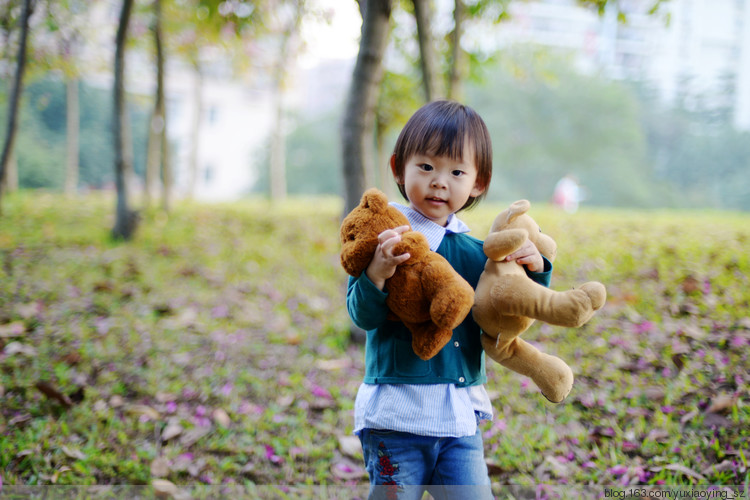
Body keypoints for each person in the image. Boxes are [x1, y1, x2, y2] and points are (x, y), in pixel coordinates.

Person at [346, 100, 553, 500]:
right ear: (398, 169)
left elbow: (505, 310)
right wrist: (377, 272)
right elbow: (362, 316)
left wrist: (535, 268)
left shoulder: (479, 253)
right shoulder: (384, 240)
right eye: (426, 167)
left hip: (458, 423)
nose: (440, 181)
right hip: (395, 417)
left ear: (478, 182)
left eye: (456, 171)